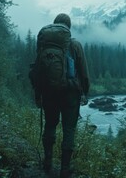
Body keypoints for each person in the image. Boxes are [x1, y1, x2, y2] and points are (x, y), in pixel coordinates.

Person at [33, 13, 90, 178]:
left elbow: (38, 72)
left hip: (49, 92)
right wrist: (85, 91)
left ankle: (48, 162)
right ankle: (65, 169)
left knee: (50, 125)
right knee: (69, 129)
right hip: (71, 93)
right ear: (68, 27)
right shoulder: (76, 45)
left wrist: (38, 95)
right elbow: (84, 72)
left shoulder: (44, 46)